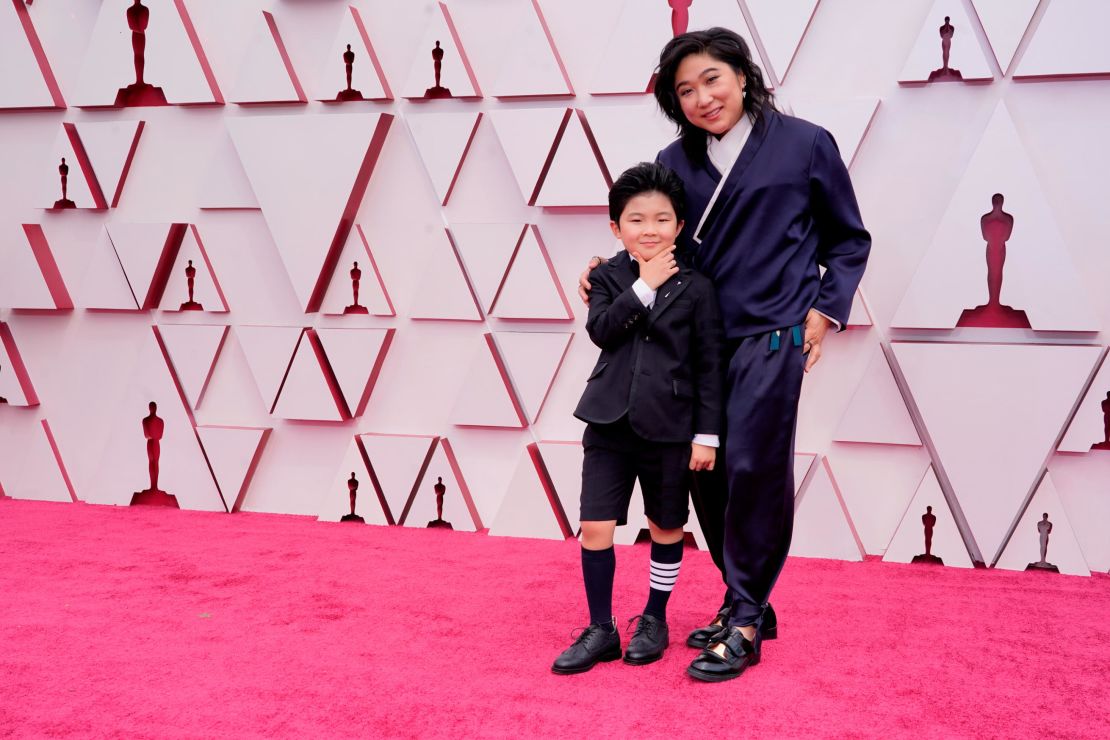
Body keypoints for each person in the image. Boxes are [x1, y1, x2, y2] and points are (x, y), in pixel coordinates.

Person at [578, 27, 871, 682]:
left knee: (753, 468)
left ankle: (742, 616)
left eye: (712, 78)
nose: (702, 97)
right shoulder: (674, 161)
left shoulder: (806, 145)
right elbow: (655, 235)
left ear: (743, 74)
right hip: (691, 341)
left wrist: (822, 313)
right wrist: (610, 272)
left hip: (771, 334)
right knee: (702, 471)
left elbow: (848, 239)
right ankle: (750, 596)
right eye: (684, 90)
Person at [552, 162, 723, 675]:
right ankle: (600, 627)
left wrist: (707, 435)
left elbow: (710, 364)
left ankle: (653, 618)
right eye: (636, 219)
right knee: (594, 526)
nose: (649, 229)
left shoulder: (699, 288)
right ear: (615, 227)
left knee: (666, 526)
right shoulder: (605, 276)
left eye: (662, 219)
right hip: (606, 423)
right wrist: (643, 284)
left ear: (679, 225)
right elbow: (603, 330)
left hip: (671, 428)